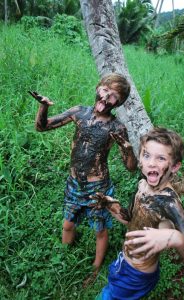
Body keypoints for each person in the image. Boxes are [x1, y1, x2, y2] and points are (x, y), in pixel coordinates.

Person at [29, 73, 137, 279]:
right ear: (98, 88)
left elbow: (131, 168)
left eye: (113, 96)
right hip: (74, 184)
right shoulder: (79, 112)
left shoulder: (116, 127)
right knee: (67, 224)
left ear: (119, 102)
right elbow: (42, 127)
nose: (106, 98)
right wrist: (44, 107)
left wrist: (128, 149)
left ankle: (96, 268)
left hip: (98, 189)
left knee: (100, 230)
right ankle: (63, 258)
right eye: (105, 90)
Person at [93, 127, 184, 300]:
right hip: (125, 260)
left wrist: (175, 237)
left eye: (160, 158)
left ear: (174, 166)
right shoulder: (142, 185)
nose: (151, 163)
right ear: (140, 161)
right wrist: (112, 206)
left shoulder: (170, 203)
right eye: (146, 155)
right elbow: (131, 220)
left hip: (137, 274)